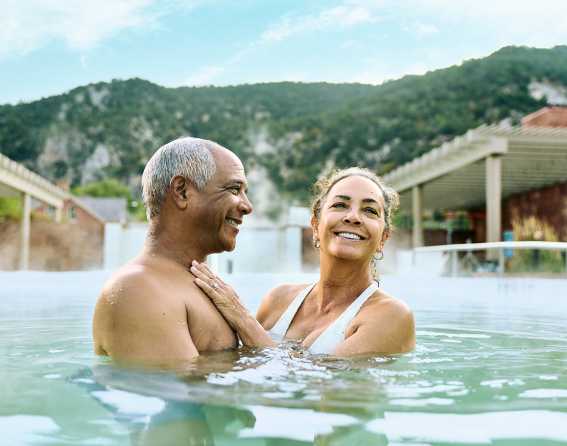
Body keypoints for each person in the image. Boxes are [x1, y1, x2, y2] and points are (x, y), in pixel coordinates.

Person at [191, 167, 415, 356]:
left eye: (369, 210)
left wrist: (242, 318)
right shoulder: (278, 300)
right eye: (340, 205)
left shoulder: (392, 316)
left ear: (383, 238)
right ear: (316, 226)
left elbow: (322, 385)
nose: (353, 217)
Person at [93, 137, 253, 368]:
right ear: (182, 191)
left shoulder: (198, 283)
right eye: (234, 189)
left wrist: (248, 323)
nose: (247, 206)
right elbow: (180, 398)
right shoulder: (137, 290)